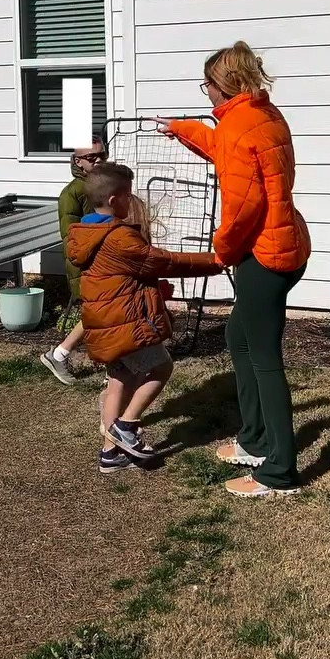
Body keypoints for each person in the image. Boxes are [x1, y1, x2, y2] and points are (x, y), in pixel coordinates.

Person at [159, 41, 311, 498]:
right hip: (287, 244)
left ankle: (279, 471)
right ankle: (255, 439)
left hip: (263, 256)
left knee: (265, 359)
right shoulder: (262, 115)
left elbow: (244, 206)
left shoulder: (238, 127)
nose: (204, 92)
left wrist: (221, 250)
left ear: (222, 86)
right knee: (238, 337)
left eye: (206, 85)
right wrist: (182, 130)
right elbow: (231, 152)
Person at [65, 161, 221, 474]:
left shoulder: (83, 232)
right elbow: (163, 261)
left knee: (119, 382)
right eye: (128, 195)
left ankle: (110, 454)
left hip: (103, 322)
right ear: (113, 200)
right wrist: (216, 260)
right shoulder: (118, 238)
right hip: (125, 323)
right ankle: (127, 425)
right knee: (162, 367)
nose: (132, 201)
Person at [41, 137, 107, 385]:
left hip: (106, 260)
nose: (98, 160)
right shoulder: (71, 194)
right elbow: (72, 238)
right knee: (100, 312)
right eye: (92, 158)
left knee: (102, 312)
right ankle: (60, 354)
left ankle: (61, 355)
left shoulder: (104, 184)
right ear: (78, 161)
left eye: (102, 155)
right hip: (87, 264)